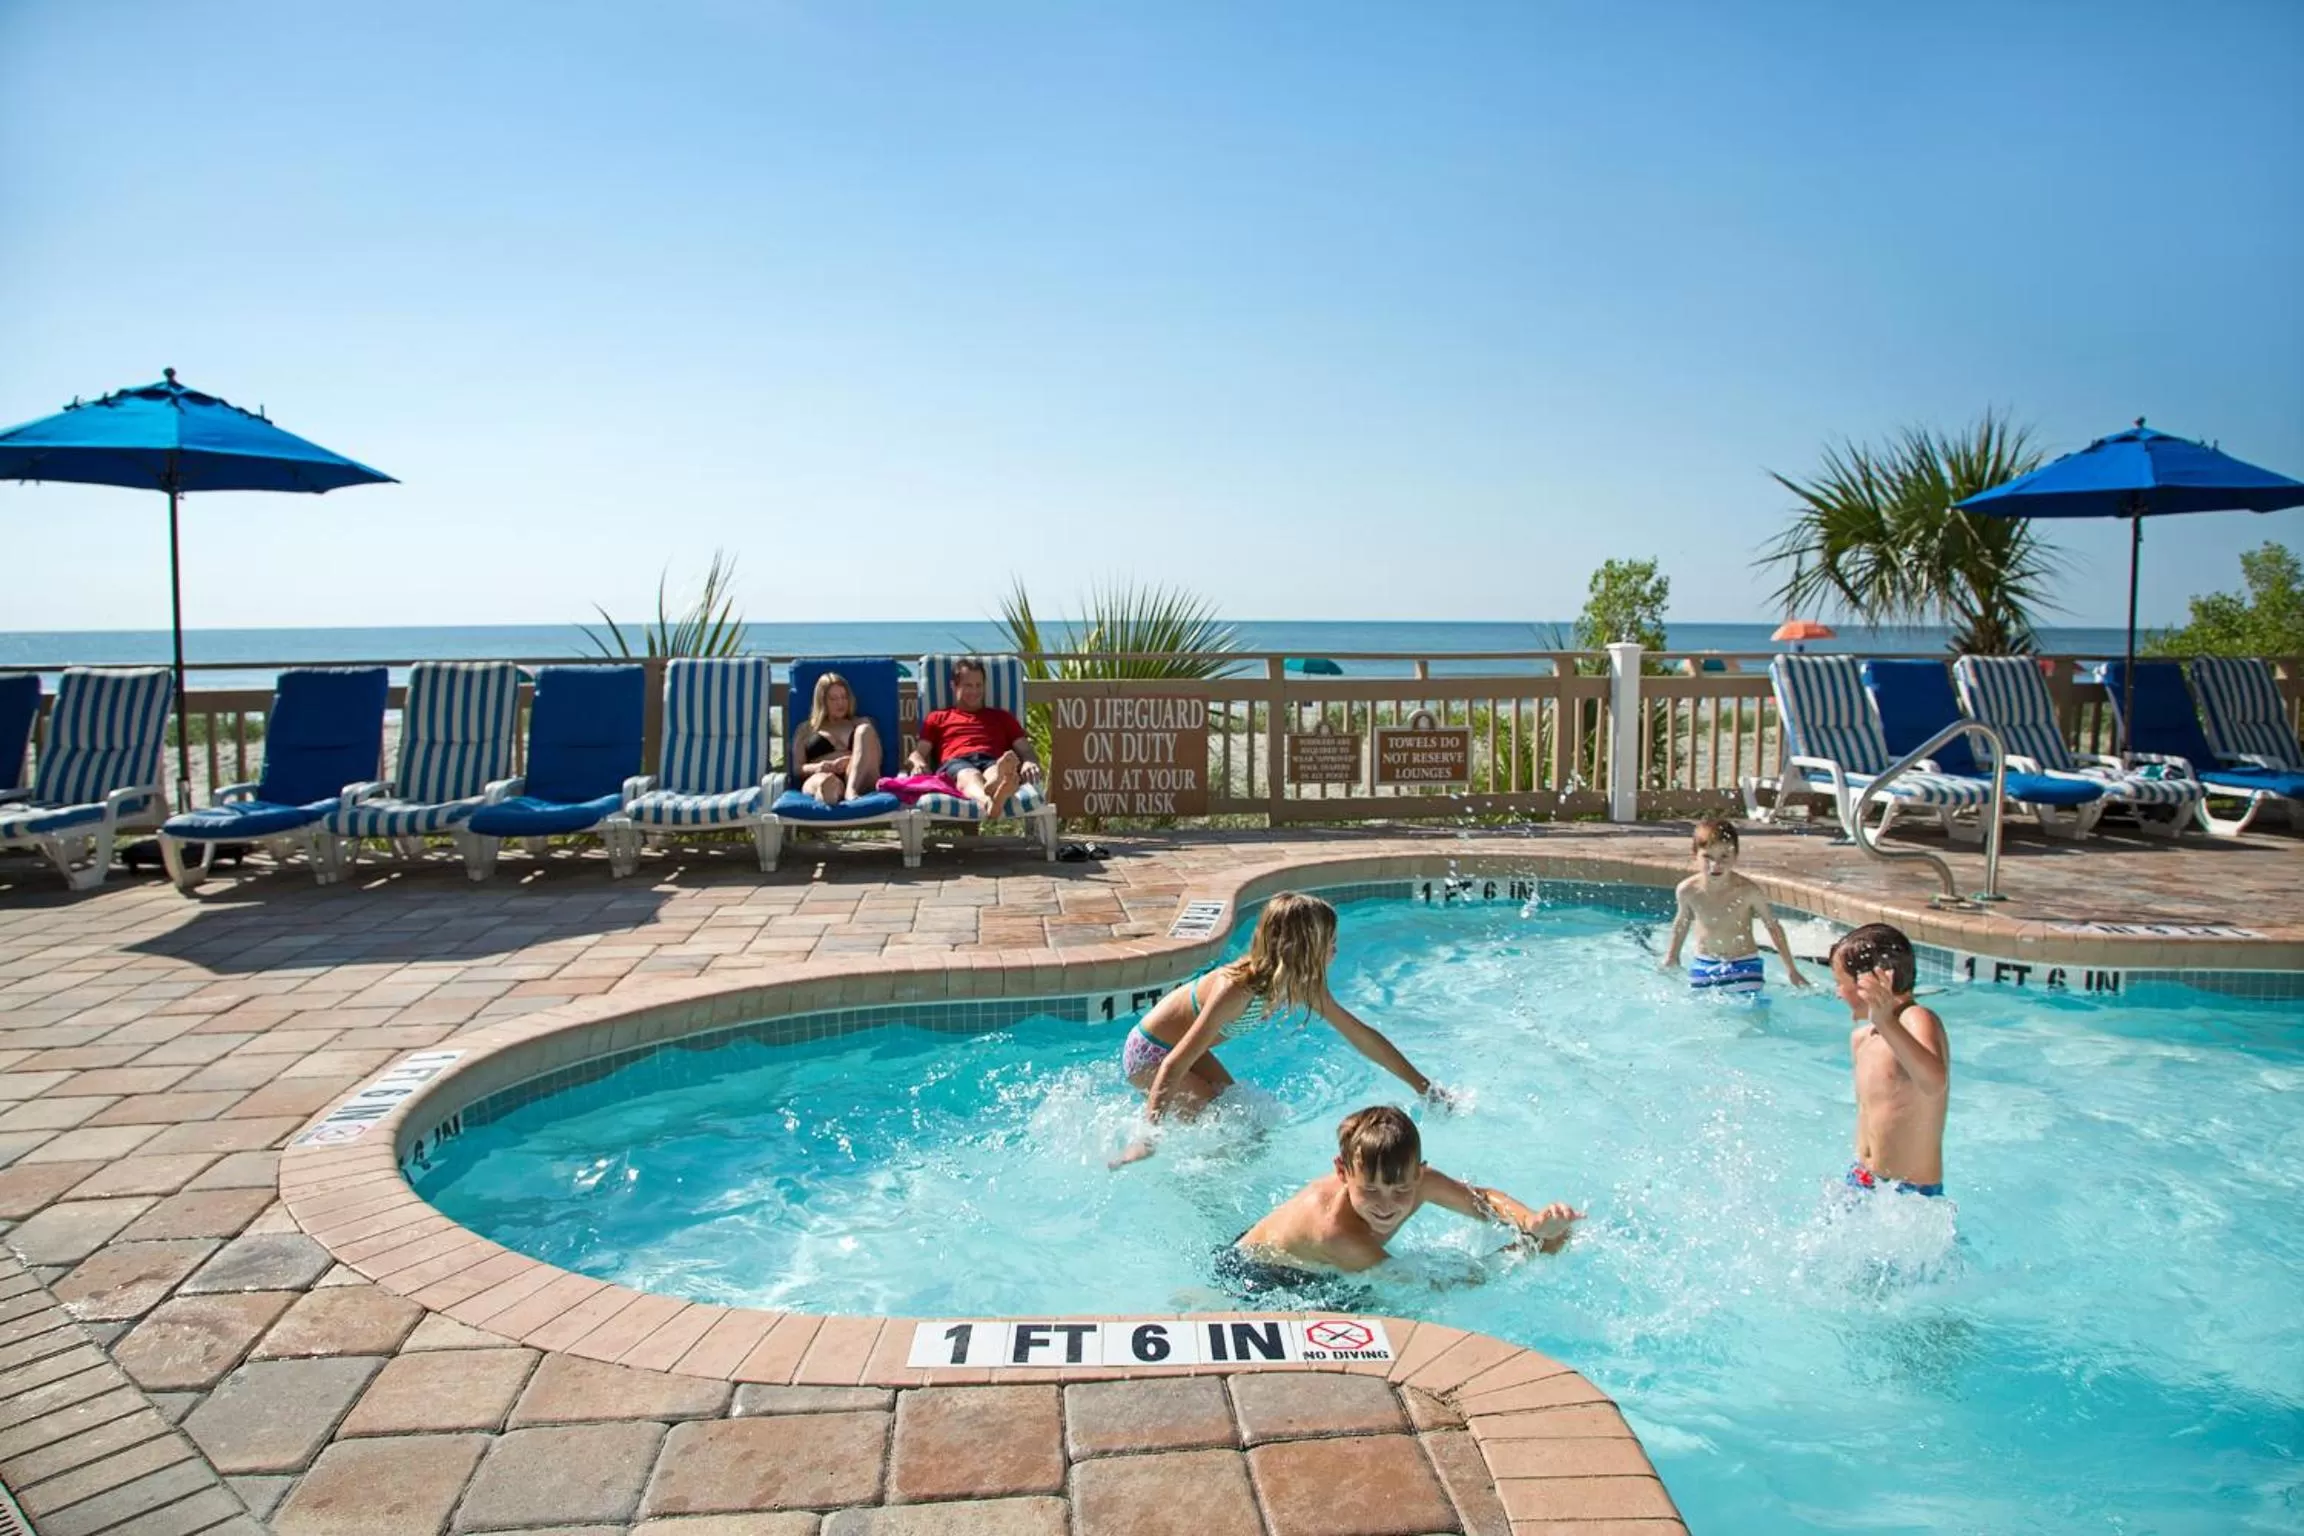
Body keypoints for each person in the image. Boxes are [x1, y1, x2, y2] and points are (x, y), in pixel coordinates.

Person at [1112, 893, 1451, 1166]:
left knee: (1250, 1129)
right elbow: (1174, 1063)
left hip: (1177, 1050)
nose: (1336, 950)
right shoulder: (1237, 989)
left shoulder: (1303, 983)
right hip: (1151, 1056)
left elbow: (1360, 1036)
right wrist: (1146, 1138)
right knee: (1230, 1138)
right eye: (1330, 942)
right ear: (1304, 947)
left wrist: (1422, 1086)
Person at [1216, 1106, 1581, 1296]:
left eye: (1401, 1190)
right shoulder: (1336, 1234)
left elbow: (1482, 1200)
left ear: (1419, 1173)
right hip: (1261, 1275)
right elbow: (1426, 1288)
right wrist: (1528, 1250)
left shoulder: (1418, 1181)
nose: (1387, 1205)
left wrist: (1531, 1222)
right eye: (1370, 1190)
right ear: (1342, 1172)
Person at [1830, 923, 1949, 1197]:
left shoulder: (1916, 1019)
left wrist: (1886, 1022)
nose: (1837, 993)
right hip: (1861, 1179)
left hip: (1909, 1193)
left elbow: (1934, 1082)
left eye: (1840, 983)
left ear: (1873, 981)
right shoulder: (1862, 1038)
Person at [1660, 815, 1811, 993]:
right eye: (1708, 856)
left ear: (1736, 855)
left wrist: (1791, 969)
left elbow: (1772, 926)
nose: (1716, 864)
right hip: (1705, 963)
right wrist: (1672, 955)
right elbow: (1682, 922)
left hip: (1744, 963)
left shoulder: (1748, 891)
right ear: (1695, 856)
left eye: (1724, 856)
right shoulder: (1687, 890)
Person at [906, 658, 1040, 816]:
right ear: (954, 686)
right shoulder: (938, 717)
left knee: (995, 771)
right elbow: (919, 753)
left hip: (992, 760)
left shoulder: (1002, 717)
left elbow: (1025, 749)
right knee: (969, 775)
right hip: (956, 761)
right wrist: (918, 763)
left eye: (978, 685)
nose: (974, 691)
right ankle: (989, 800)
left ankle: (997, 785)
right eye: (968, 686)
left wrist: (1029, 762)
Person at [792, 672, 882, 806]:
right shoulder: (806, 729)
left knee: (865, 730)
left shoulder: (860, 723)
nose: (840, 703)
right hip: (823, 774)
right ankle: (829, 794)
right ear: (822, 701)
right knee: (824, 781)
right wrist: (819, 767)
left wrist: (852, 761)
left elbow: (877, 757)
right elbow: (797, 768)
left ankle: (850, 790)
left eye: (844, 697)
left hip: (859, 776)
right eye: (833, 699)